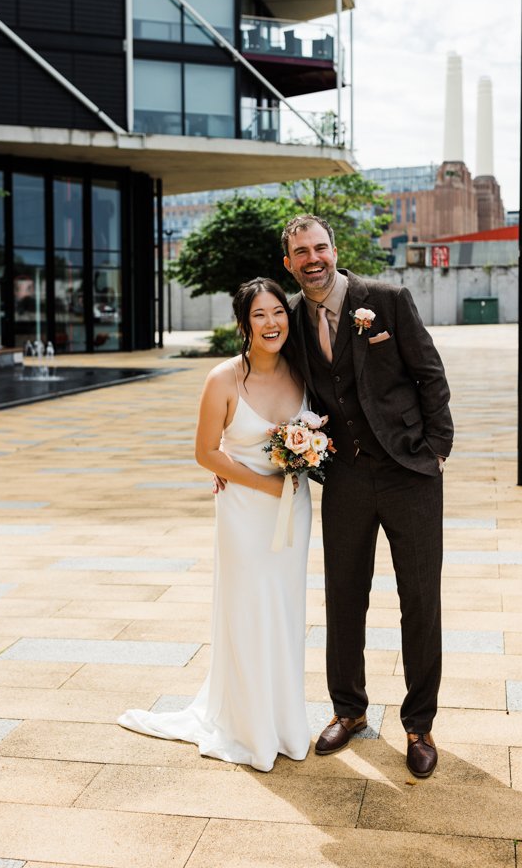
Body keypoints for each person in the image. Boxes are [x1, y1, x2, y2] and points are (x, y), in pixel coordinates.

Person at [282, 214, 454, 779]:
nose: (313, 258)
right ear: (289, 263)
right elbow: (260, 370)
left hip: (410, 471)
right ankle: (348, 710)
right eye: (301, 252)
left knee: (420, 600)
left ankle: (418, 725)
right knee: (344, 595)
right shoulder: (292, 317)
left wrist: (435, 449)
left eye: (320, 247)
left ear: (336, 250)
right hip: (348, 476)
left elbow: (430, 374)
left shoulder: (386, 298)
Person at [118, 278, 312, 772]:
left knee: (286, 610)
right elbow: (205, 451)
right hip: (246, 513)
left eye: (278, 313)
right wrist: (262, 483)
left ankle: (285, 721)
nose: (272, 323)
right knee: (248, 609)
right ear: (244, 325)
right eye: (260, 316)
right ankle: (247, 728)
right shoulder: (223, 379)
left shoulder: (304, 372)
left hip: (295, 511)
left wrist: (307, 460)